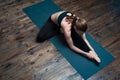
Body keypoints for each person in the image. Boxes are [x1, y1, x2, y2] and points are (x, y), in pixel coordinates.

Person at [36, 11, 101, 63]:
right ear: (76, 28)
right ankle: (59, 31)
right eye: (81, 33)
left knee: (78, 38)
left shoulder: (79, 22)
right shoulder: (67, 28)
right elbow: (72, 46)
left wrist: (93, 52)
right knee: (40, 37)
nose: (82, 34)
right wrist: (86, 54)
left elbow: (84, 39)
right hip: (53, 21)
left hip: (68, 24)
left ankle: (92, 52)